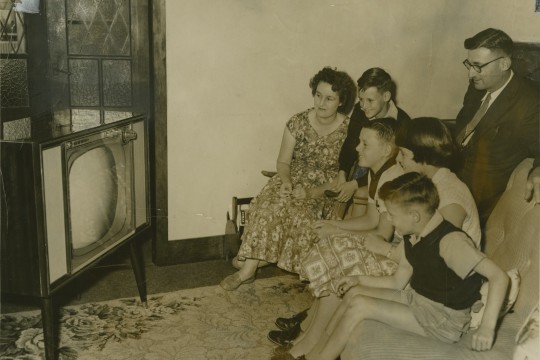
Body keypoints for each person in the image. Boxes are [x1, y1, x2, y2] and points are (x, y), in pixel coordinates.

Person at [293, 173, 509, 360]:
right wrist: (358, 280)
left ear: (414, 216)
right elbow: (397, 281)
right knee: (354, 293)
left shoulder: (450, 242)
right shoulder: (413, 234)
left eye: (391, 214)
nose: (388, 219)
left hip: (444, 320)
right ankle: (317, 349)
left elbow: (499, 277)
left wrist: (487, 328)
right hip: (420, 300)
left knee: (360, 305)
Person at [268, 118, 404, 349]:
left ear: (386, 150)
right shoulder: (376, 172)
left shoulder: (391, 177)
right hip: (381, 244)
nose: (357, 148)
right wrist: (335, 226)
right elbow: (371, 219)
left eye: (365, 144)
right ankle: (308, 329)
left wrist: (339, 232)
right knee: (329, 242)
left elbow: (383, 234)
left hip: (397, 256)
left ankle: (312, 341)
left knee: (337, 263)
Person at [220, 67, 357, 291]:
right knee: (267, 209)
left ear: (341, 102)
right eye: (318, 95)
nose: (321, 102)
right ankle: (248, 271)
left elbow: (344, 174)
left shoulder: (348, 130)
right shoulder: (298, 122)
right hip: (291, 178)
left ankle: (249, 263)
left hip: (325, 188)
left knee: (300, 216)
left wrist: (313, 193)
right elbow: (283, 162)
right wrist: (286, 182)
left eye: (330, 98)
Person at [455, 28, 540, 226]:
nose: (470, 74)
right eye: (469, 64)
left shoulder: (530, 103)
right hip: (454, 174)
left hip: (482, 198)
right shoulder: (478, 86)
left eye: (478, 66)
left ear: (504, 63)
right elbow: (463, 131)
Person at [333, 68, 411, 205]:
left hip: (387, 173)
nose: (363, 106)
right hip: (364, 163)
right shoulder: (360, 110)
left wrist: (356, 184)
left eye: (370, 100)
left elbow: (392, 167)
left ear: (386, 96)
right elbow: (351, 142)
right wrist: (342, 172)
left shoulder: (402, 123)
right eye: (361, 99)